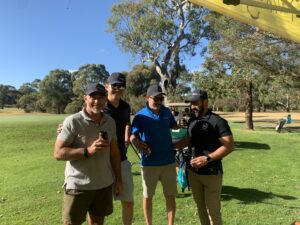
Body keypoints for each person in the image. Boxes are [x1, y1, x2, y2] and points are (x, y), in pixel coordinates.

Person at [54, 83, 122, 225]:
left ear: (106, 100)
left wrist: (118, 179)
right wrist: (88, 151)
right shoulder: (73, 121)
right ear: (85, 98)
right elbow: (58, 153)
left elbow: (115, 153)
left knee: (97, 221)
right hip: (78, 185)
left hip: (103, 184)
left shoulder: (110, 122)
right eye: (93, 97)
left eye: (101, 97)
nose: (97, 101)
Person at [174, 89, 234, 225]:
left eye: (195, 103)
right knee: (200, 209)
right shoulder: (192, 121)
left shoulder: (218, 121)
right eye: (191, 103)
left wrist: (207, 158)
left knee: (213, 212)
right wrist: (170, 145)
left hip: (211, 174)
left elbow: (229, 146)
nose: (192, 106)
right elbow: (189, 140)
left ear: (205, 102)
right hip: (193, 173)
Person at [130, 84, 179, 225]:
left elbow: (173, 125)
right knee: (147, 196)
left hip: (168, 161)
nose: (158, 101)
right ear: (147, 98)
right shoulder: (140, 116)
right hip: (149, 163)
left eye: (161, 98)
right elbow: (133, 136)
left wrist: (180, 125)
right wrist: (138, 143)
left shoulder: (166, 112)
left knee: (170, 196)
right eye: (155, 98)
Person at [104, 72, 134, 225]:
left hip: (122, 159)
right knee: (98, 209)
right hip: (102, 162)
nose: (118, 89)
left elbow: (127, 123)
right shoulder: (99, 105)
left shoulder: (125, 107)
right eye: (115, 85)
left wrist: (127, 135)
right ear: (106, 86)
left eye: (121, 86)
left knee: (128, 201)